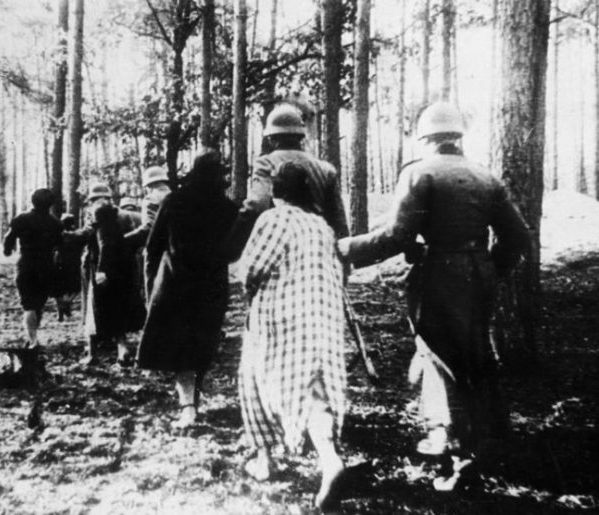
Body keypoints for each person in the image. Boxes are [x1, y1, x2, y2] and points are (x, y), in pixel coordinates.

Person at [337, 102, 530, 491]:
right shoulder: (485, 176)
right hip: (480, 273)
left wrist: (345, 248)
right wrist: (491, 269)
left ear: (425, 138)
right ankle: (485, 437)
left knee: (442, 359)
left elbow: (396, 236)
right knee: (475, 355)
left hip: (440, 277)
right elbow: (518, 236)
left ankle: (462, 457)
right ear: (457, 137)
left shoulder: (419, 173)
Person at [238, 161, 351, 514]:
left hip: (280, 316)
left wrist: (249, 294)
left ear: (276, 191)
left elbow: (250, 270)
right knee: (315, 390)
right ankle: (330, 461)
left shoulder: (274, 219)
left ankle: (264, 459)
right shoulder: (321, 226)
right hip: (324, 320)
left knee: (252, 376)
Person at [137, 150, 238, 428]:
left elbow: (153, 247)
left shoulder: (174, 201)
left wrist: (150, 288)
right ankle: (193, 400)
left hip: (175, 284)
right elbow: (233, 251)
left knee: (180, 348)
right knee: (202, 344)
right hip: (211, 287)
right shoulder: (228, 208)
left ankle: (188, 406)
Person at [225, 103, 349, 261]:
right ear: (301, 136)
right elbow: (338, 222)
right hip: (319, 250)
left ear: (271, 138)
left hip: (279, 249)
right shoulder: (326, 169)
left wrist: (231, 249)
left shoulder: (266, 163)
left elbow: (256, 206)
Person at [80, 183, 144, 366]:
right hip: (124, 270)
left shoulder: (99, 215)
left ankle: (92, 353)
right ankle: (122, 350)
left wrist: (101, 269)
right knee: (118, 309)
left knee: (94, 310)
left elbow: (103, 245)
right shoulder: (124, 215)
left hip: (102, 269)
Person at [3, 188, 63, 348]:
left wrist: (7, 250)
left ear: (32, 201)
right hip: (46, 266)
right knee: (38, 304)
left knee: (28, 304)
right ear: (50, 204)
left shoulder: (21, 218)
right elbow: (60, 245)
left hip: (26, 264)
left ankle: (32, 340)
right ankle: (33, 337)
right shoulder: (55, 223)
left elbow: (9, 237)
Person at [52, 214, 85, 322]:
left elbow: (53, 247)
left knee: (59, 289)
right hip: (73, 263)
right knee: (73, 288)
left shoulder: (58, 234)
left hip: (59, 262)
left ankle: (60, 313)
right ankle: (67, 304)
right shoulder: (78, 235)